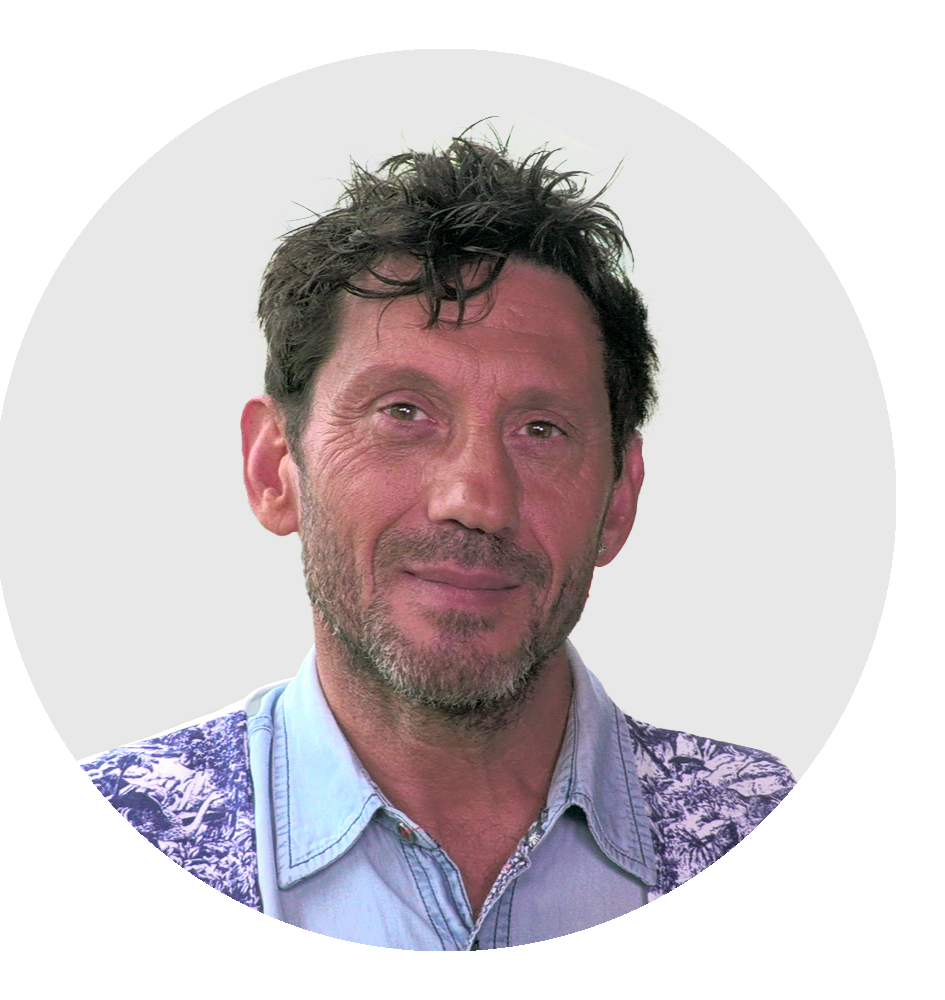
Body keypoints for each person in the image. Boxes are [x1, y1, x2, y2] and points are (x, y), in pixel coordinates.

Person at [80, 134, 795, 949]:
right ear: (275, 468)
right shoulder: (137, 818)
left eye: (541, 429)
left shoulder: (749, 816)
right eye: (403, 412)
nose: (476, 500)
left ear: (619, 499)